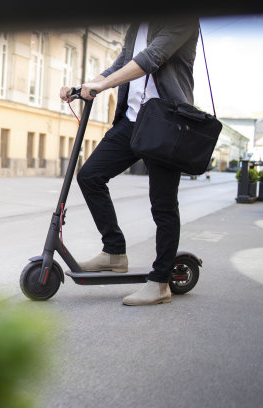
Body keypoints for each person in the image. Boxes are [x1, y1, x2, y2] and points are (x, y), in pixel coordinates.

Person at [59, 19, 200, 306]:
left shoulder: (183, 16)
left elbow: (150, 59)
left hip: (166, 123)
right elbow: (123, 62)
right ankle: (114, 252)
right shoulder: (137, 23)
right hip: (132, 120)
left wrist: (103, 84)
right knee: (90, 176)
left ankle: (160, 282)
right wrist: (87, 85)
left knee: (162, 204)